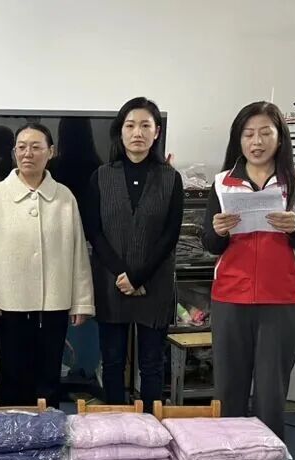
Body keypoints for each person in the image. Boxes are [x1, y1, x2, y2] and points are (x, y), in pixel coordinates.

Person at [202, 101, 295, 439]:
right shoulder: (222, 182)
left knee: (271, 392)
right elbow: (210, 243)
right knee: (228, 389)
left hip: (281, 299)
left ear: (280, 137)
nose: (256, 142)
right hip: (230, 297)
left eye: (265, 133)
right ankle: (228, 458)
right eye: (248, 134)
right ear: (238, 140)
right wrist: (218, 231)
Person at [0, 122, 94, 408]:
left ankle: (48, 431)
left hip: (54, 305)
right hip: (9, 306)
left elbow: (78, 253)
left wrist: (82, 302)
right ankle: (14, 430)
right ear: (14, 152)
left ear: (50, 152)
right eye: (22, 147)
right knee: (13, 378)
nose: (28, 153)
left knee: (49, 378)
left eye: (36, 147)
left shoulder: (64, 197)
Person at [81, 97, 183, 414]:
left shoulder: (170, 178)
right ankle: (117, 424)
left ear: (157, 132)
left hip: (154, 283)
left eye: (145, 125)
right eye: (130, 125)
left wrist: (138, 277)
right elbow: (94, 231)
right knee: (112, 362)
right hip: (111, 282)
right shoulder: (101, 176)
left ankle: (151, 425)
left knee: (152, 363)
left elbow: (170, 234)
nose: (137, 132)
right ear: (120, 131)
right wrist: (122, 274)